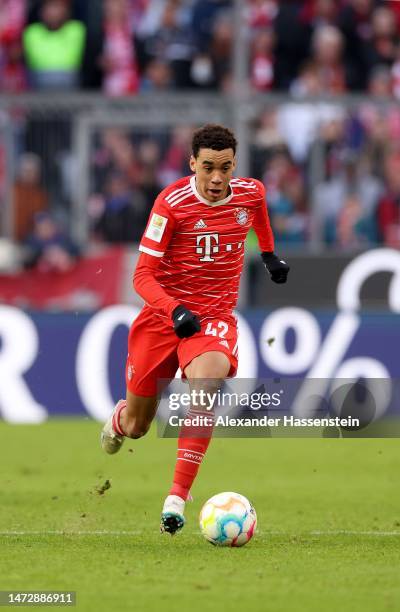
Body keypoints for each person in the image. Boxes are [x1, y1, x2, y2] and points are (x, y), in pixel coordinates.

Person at [100, 124, 289, 534]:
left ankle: (176, 496)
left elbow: (259, 217)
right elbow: (142, 276)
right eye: (208, 168)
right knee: (138, 425)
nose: (218, 178)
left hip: (214, 318)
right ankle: (119, 420)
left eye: (225, 168)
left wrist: (271, 254)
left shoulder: (251, 192)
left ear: (234, 165)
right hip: (162, 318)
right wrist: (173, 308)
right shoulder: (171, 203)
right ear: (192, 164)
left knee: (206, 383)